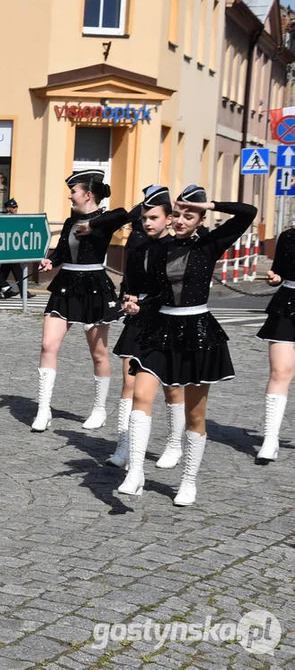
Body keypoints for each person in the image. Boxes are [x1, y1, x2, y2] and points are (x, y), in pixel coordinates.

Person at [118, 187, 257, 505]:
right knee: (140, 394)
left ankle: (189, 481)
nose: (180, 220)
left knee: (195, 415)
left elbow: (247, 212)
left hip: (197, 332)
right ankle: (135, 472)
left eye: (189, 215)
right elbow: (152, 293)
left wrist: (208, 203)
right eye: (177, 214)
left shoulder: (210, 244)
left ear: (200, 218)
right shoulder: (158, 249)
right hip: (159, 328)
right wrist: (136, 304)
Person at [31, 170, 129, 432]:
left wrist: (93, 225)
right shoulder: (69, 221)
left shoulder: (104, 220)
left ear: (87, 194)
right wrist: (51, 260)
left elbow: (124, 214)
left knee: (98, 353)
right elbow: (64, 250)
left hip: (95, 286)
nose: (69, 195)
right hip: (66, 285)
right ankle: (43, 409)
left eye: (73, 191)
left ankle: (99, 409)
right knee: (47, 345)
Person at [108, 186, 185, 470]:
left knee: (171, 386)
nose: (147, 223)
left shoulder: (176, 248)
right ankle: (124, 444)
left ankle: (174, 443)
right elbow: (130, 282)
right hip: (138, 318)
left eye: (153, 217)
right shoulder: (138, 245)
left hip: (168, 320)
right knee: (129, 383)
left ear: (168, 218)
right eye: (144, 218)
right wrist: (127, 297)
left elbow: (174, 291)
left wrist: (144, 303)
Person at [253, 224, 295, 462]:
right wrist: (274, 278)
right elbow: (278, 274)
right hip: (288, 303)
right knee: (280, 371)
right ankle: (270, 439)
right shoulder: (288, 236)